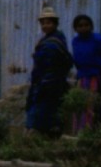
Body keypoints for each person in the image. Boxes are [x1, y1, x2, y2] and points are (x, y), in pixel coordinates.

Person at [26, 7, 72, 136]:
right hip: (44, 79)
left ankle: (35, 134)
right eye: (43, 23)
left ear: (55, 24)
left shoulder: (54, 41)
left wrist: (45, 80)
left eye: (49, 22)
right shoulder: (47, 39)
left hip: (50, 81)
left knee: (42, 107)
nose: (45, 26)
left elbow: (54, 63)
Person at [69, 15, 101, 133]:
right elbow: (78, 59)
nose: (83, 28)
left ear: (91, 26)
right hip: (82, 77)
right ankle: (79, 131)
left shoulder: (98, 40)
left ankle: (90, 131)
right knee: (80, 104)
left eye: (86, 25)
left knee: (93, 105)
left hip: (97, 76)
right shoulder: (75, 41)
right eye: (80, 26)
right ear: (75, 28)